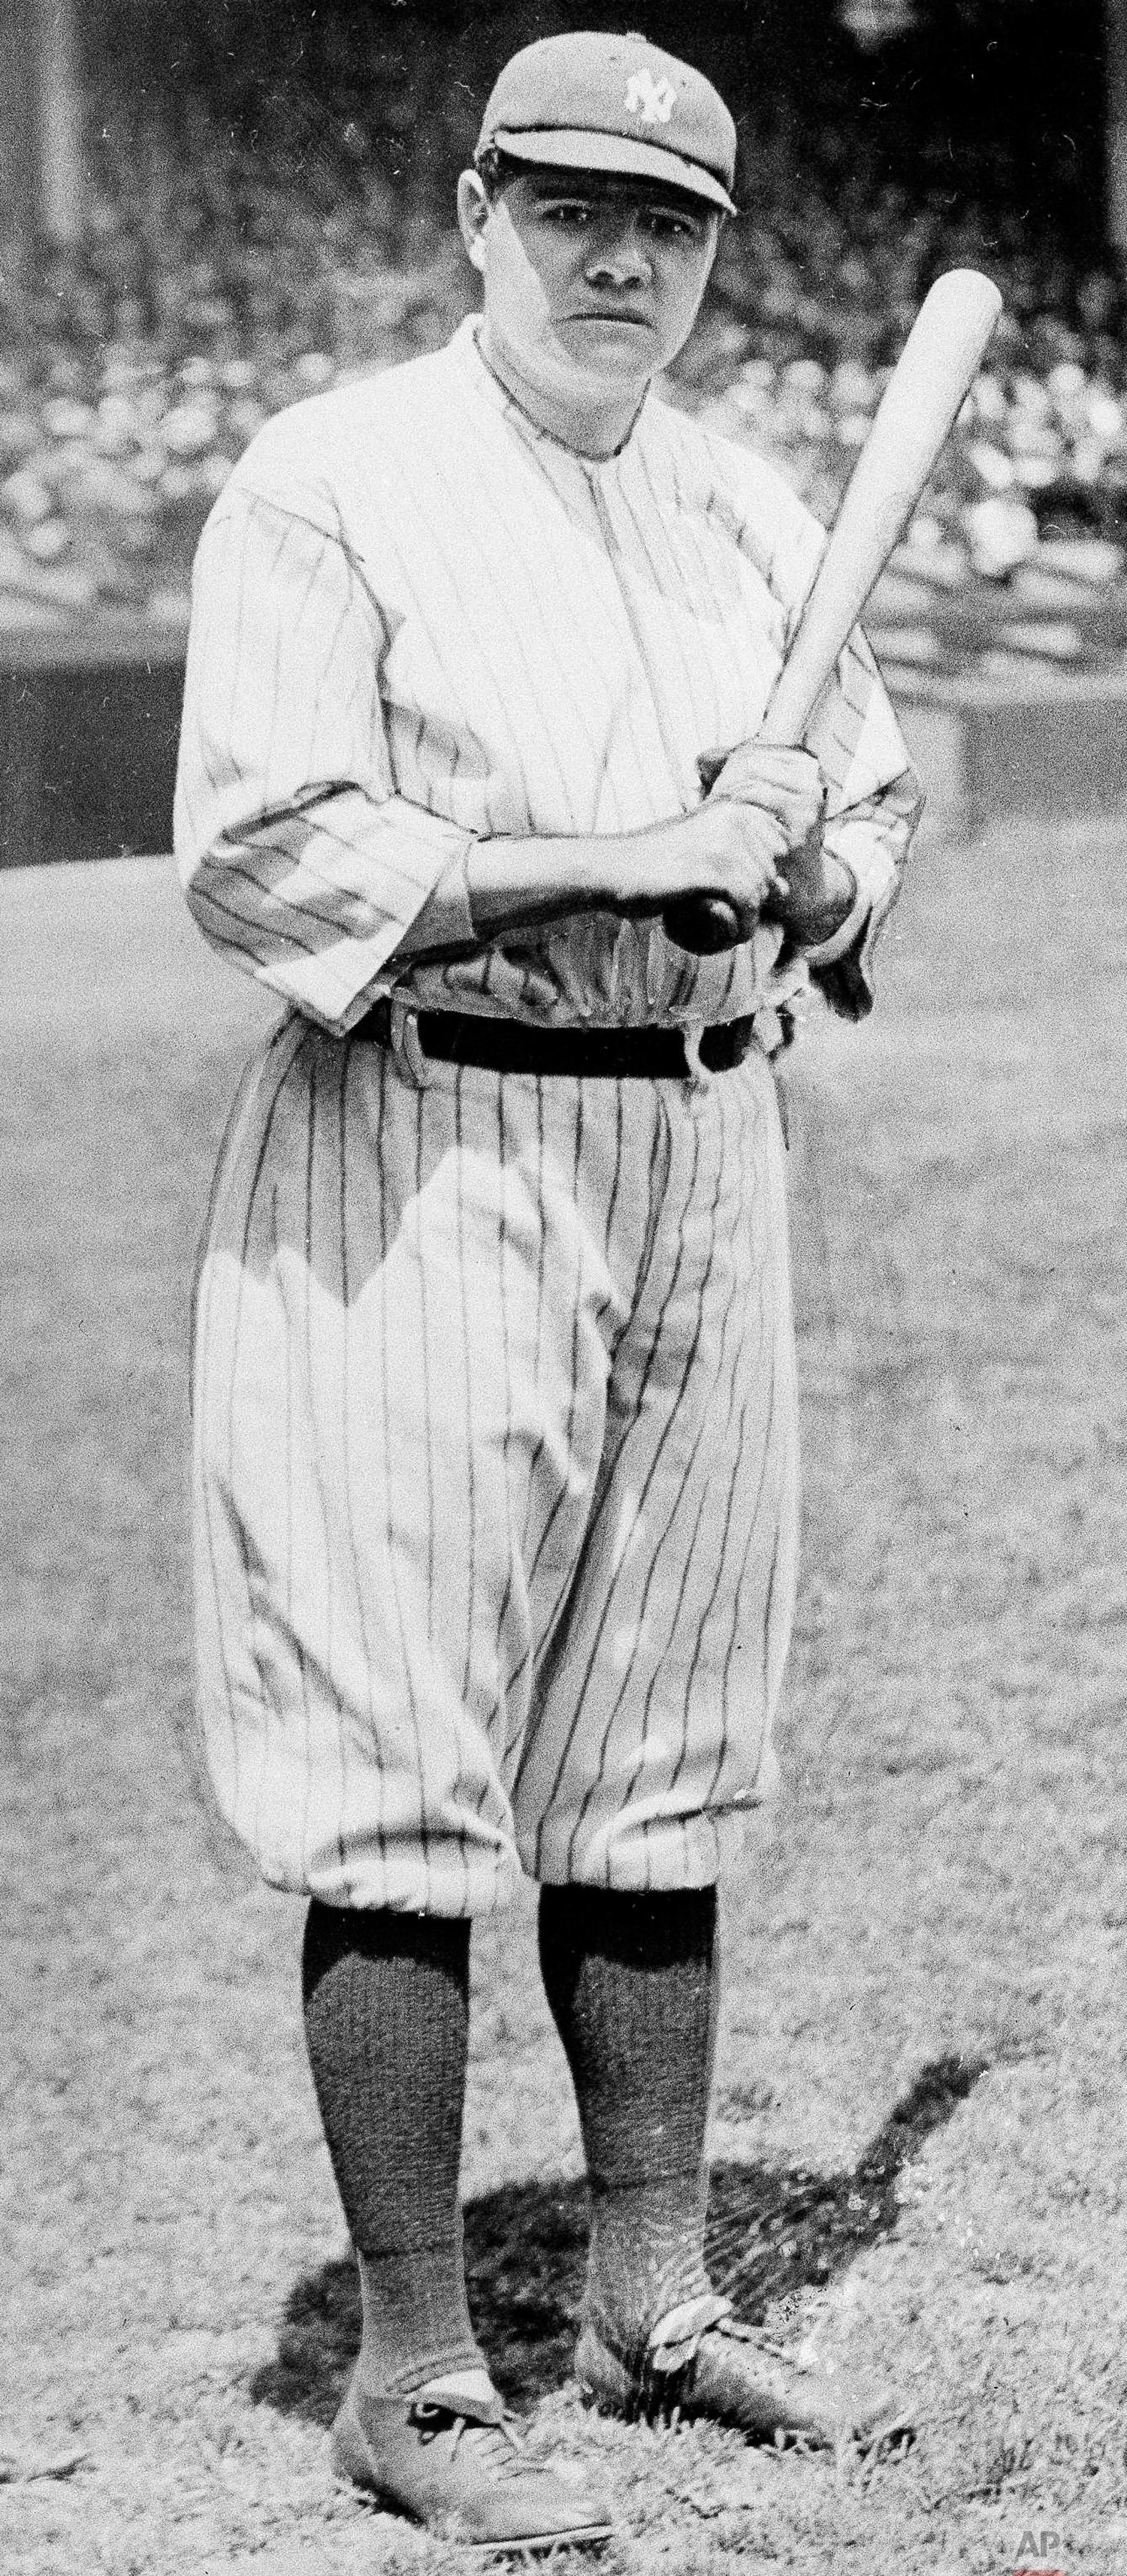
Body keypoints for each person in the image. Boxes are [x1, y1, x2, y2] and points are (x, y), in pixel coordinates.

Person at [174, 28, 921, 2554]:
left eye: (674, 223)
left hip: (705, 1142)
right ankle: (413, 2359)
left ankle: (657, 2291)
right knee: (400, 1744)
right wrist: (612, 858)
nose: (623, 258)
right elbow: (269, 849)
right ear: (478, 205)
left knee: (664, 1729)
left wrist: (811, 878)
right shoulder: (334, 474)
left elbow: (865, 801)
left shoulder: (741, 503)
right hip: (434, 1135)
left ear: (714, 252)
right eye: (575, 207)